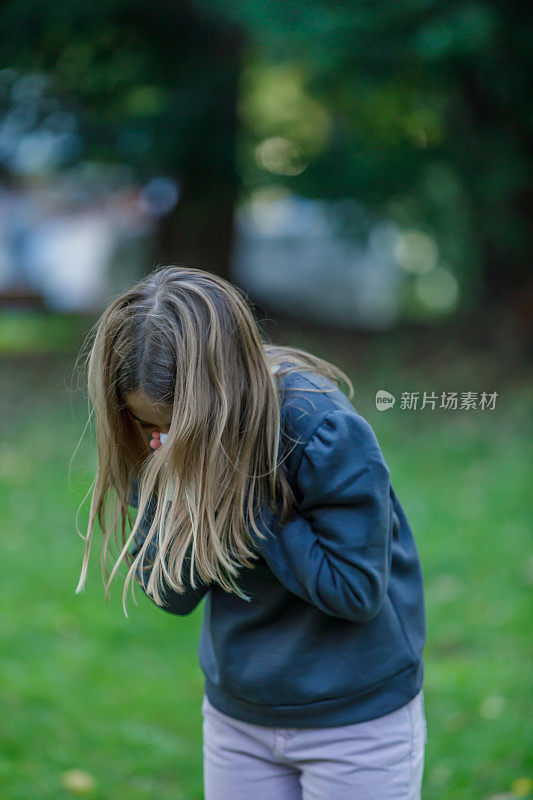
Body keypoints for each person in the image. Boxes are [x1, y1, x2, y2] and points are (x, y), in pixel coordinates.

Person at [75, 264, 427, 800]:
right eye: (148, 426)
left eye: (177, 427)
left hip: (355, 718)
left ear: (221, 396)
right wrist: (178, 494)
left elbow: (355, 590)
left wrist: (240, 496)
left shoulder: (320, 426)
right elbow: (171, 594)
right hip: (238, 716)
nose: (162, 442)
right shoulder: (157, 444)